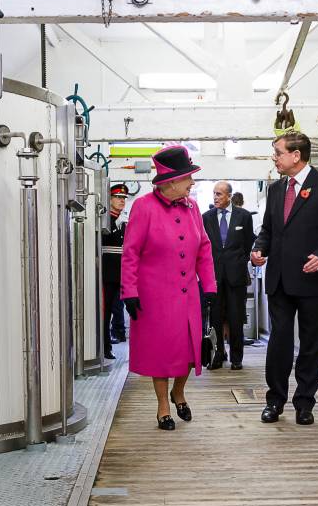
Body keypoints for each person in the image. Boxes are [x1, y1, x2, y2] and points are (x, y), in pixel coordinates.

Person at [250, 131, 318, 426]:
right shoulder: (276, 190)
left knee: (311, 344)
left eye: (278, 152)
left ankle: (305, 403)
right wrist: (258, 248)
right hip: (279, 279)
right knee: (278, 342)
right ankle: (274, 401)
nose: (274, 158)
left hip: (312, 278)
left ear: (296, 155)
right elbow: (268, 229)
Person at [120, 146, 217, 430]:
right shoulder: (143, 207)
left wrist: (209, 285)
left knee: (189, 349)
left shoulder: (193, 207)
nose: (192, 183)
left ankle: (179, 391)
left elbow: (204, 249)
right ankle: (163, 406)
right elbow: (131, 253)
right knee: (161, 352)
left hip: (188, 294)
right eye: (188, 178)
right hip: (155, 296)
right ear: (171, 181)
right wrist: (129, 291)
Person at [203, 181, 255, 370]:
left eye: (219, 194)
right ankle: (217, 355)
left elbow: (249, 241)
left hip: (236, 275)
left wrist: (239, 260)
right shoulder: (206, 217)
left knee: (235, 316)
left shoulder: (244, 216)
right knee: (215, 316)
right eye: (214, 194)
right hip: (214, 275)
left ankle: (236, 358)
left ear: (229, 196)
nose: (215, 197)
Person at [101, 183, 129, 359]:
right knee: (106, 311)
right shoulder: (106, 220)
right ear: (110, 199)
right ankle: (105, 346)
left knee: (119, 308)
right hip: (108, 272)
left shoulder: (123, 222)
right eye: (118, 197)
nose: (121, 201)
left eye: (124, 198)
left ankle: (116, 335)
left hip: (122, 273)